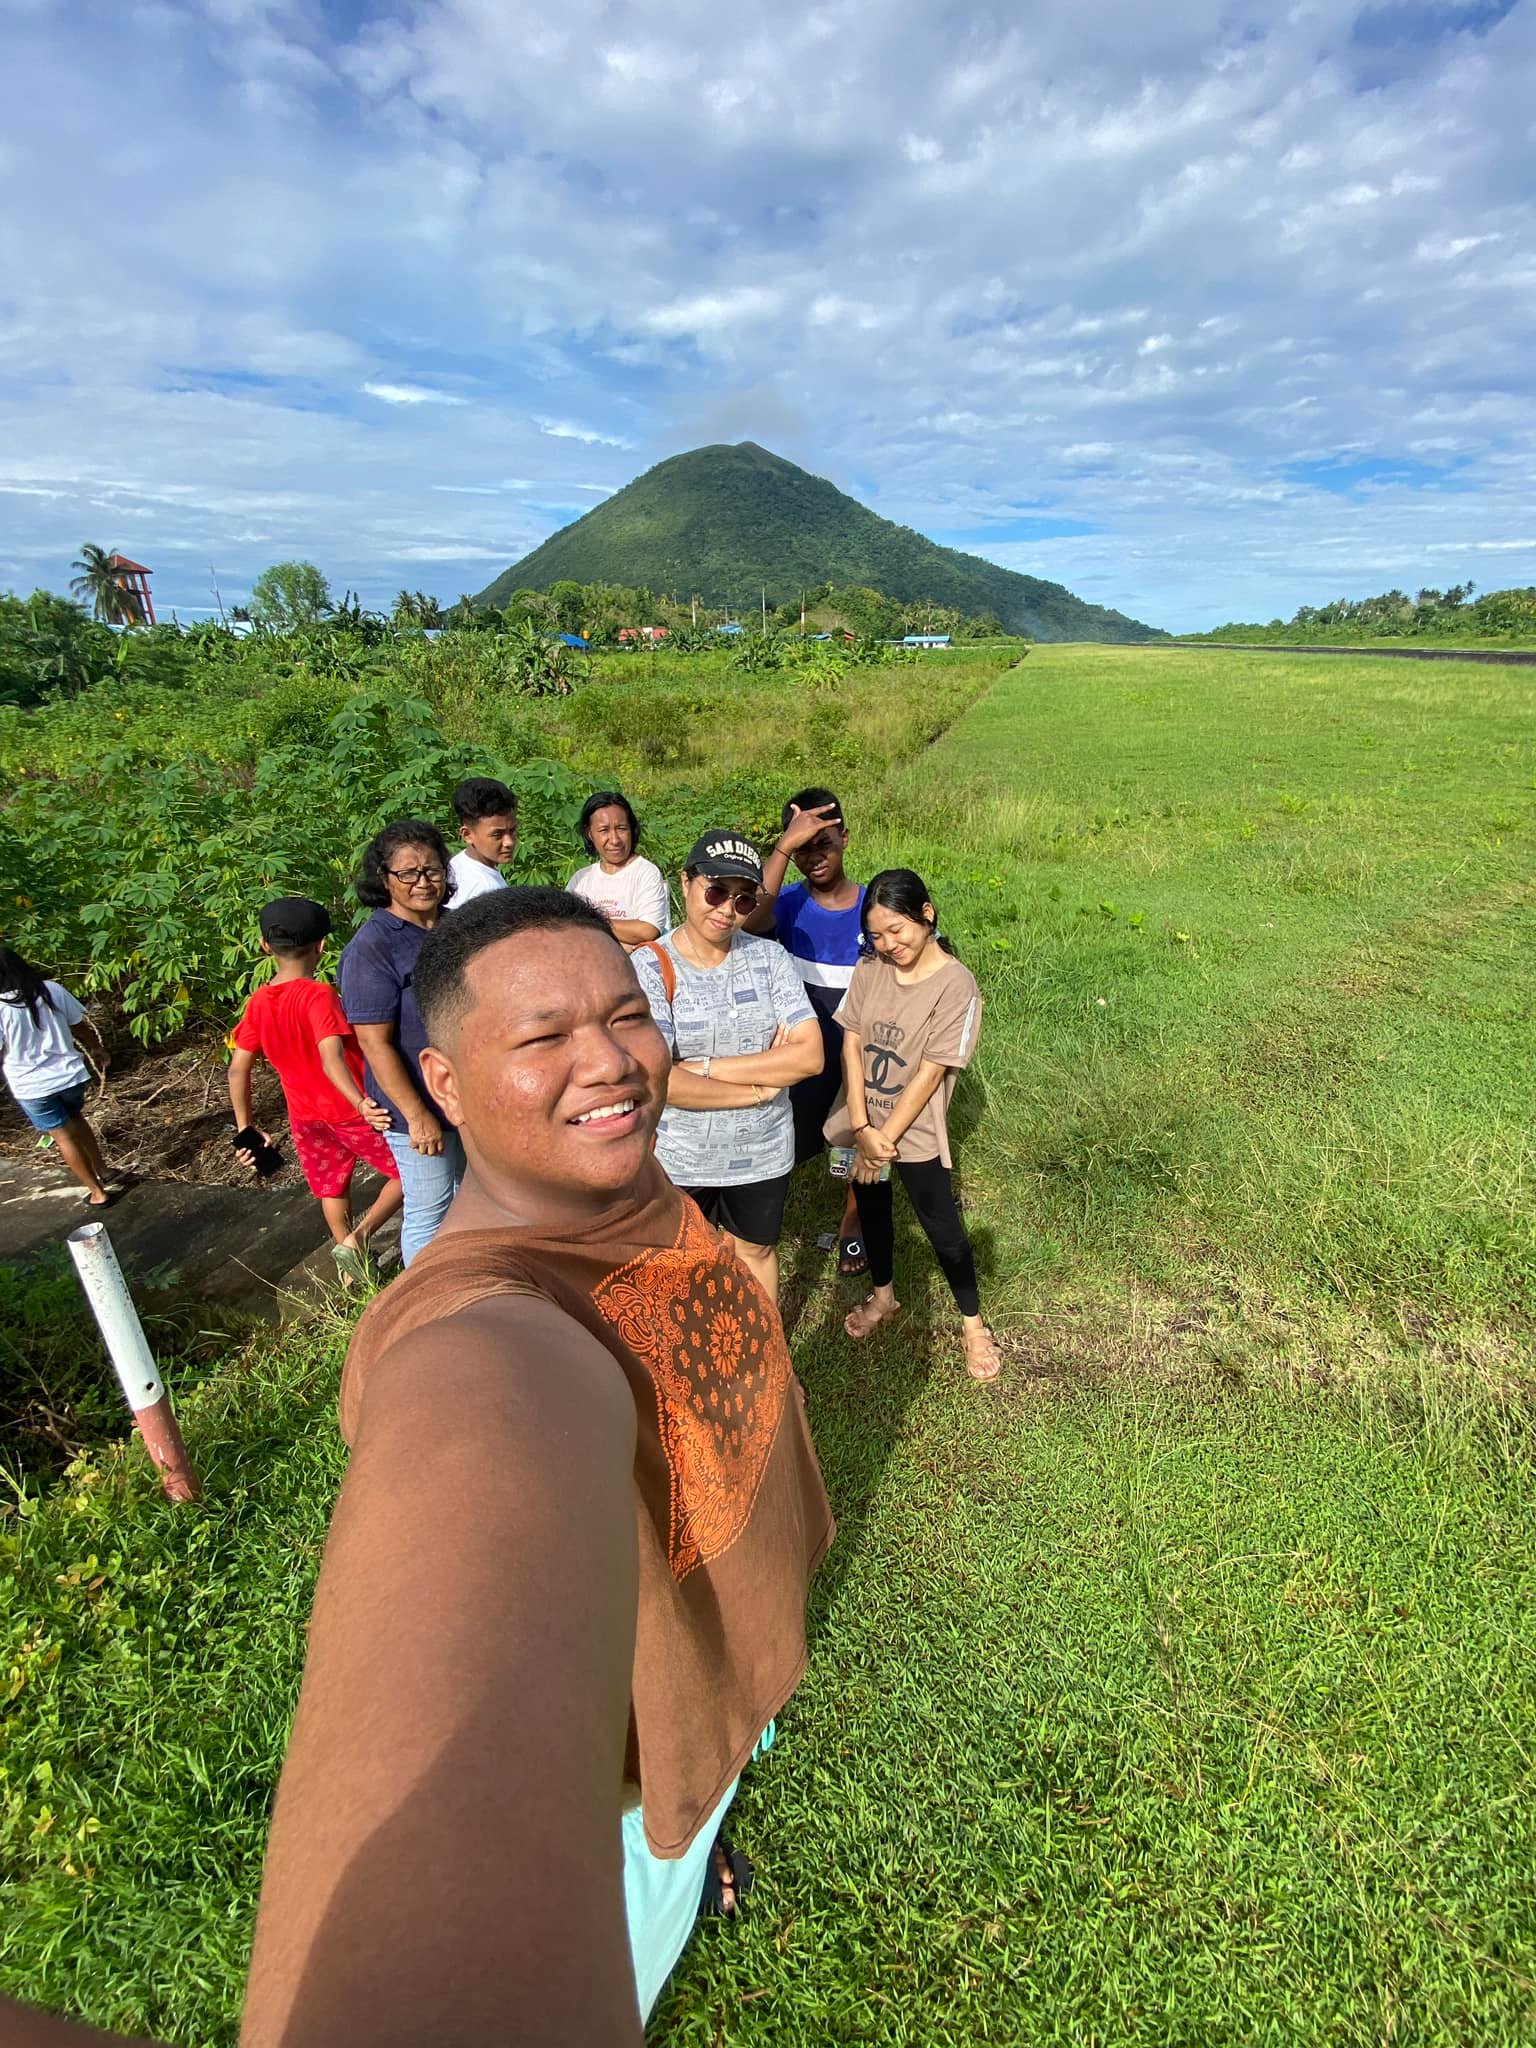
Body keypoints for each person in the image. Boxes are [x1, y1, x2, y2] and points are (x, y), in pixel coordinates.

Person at [0, 886, 835, 2047]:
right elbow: (478, 1459)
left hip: (715, 1673)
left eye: (626, 1015)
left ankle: (710, 1827)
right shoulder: (480, 1326)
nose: (610, 1060)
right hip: (619, 1796)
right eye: (543, 1036)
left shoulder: (626, 1188)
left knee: (704, 1801)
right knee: (649, 1885)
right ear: (441, 1082)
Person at [632, 833, 824, 1305]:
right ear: (685, 883)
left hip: (762, 1149)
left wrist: (705, 1068)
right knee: (681, 1265)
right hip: (681, 1156)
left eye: (743, 899)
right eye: (716, 891)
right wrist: (759, 1088)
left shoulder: (769, 958)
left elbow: (810, 1056)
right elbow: (660, 1079)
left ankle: (765, 1348)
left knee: (755, 1251)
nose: (727, 910)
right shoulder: (650, 966)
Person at [831, 868, 1002, 1381]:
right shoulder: (870, 967)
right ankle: (883, 1297)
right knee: (872, 1208)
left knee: (941, 1224)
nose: (888, 944)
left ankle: (973, 1324)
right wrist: (861, 1127)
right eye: (876, 935)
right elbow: (851, 1043)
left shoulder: (956, 985)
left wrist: (882, 1140)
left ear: (926, 914)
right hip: (862, 1119)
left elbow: (931, 1072)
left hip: (913, 1130)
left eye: (897, 930)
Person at [228, 897, 403, 1284]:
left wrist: (246, 1126)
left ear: (265, 946)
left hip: (305, 1116)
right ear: (322, 945)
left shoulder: (258, 1002)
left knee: (331, 1187)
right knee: (408, 1171)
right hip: (349, 1111)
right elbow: (331, 1058)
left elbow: (238, 1068)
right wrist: (361, 1102)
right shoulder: (318, 995)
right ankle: (358, 1239)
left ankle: (351, 1268)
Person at [747, 787, 867, 1276]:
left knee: (859, 1137)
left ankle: (854, 1222)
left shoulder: (873, 907)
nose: (815, 858)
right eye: (803, 849)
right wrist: (782, 847)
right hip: (801, 1053)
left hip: (859, 1053)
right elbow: (749, 919)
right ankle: (761, 1219)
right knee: (787, 1137)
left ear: (846, 838)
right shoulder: (786, 903)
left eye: (825, 844)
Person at [338, 819, 464, 1266]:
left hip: (467, 1094)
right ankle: (427, 1299)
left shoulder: (456, 927)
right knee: (430, 1210)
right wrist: (416, 1116)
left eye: (432, 870)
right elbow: (375, 1045)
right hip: (417, 1103)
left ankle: (470, 1283)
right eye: (408, 873)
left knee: (472, 1199)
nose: (422, 882)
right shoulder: (373, 947)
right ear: (384, 877)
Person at [0, 946, 120, 1208]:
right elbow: (79, 1026)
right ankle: (104, 1170)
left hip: (32, 1085)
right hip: (70, 1076)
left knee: (63, 1136)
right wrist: (96, 1048)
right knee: (76, 1119)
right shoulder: (50, 990)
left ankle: (97, 1193)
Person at [567, 789, 670, 950]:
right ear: (589, 834)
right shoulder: (580, 879)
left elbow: (647, 931)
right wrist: (621, 944)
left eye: (621, 828)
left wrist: (588, 923)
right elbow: (566, 928)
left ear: (632, 829)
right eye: (604, 830)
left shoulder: (645, 872)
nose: (615, 840)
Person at [446, 775, 518, 905]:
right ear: (467, 834)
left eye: (512, 831)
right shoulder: (485, 890)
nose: (509, 842)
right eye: (497, 834)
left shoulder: (457, 865)